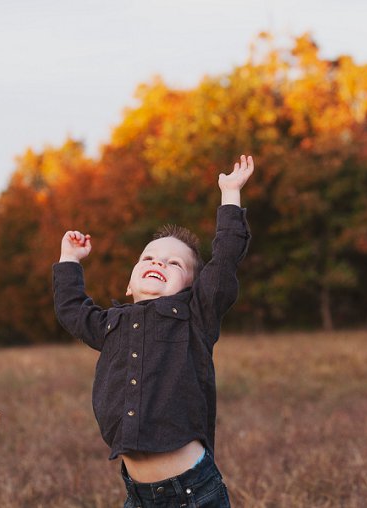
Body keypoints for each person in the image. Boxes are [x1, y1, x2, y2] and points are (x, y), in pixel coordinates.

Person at [53, 155, 254, 507]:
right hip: (138, 495)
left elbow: (223, 263)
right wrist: (69, 259)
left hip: (192, 493)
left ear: (193, 288)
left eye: (174, 263)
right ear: (129, 285)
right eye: (148, 258)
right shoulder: (110, 325)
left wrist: (230, 195)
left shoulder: (195, 316)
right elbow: (71, 309)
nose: (158, 262)